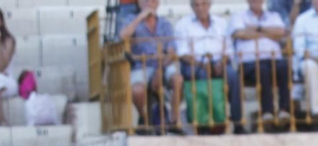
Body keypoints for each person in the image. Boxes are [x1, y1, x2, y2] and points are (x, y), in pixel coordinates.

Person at [228, 0, 290, 132]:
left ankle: (284, 110)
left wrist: (257, 29)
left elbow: (281, 32)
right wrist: (269, 33)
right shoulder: (238, 16)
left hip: (273, 59)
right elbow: (239, 34)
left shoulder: (274, 16)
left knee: (284, 66)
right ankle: (267, 112)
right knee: (262, 69)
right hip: (249, 62)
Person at [120, 0, 181, 130]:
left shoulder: (165, 23)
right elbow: (123, 36)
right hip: (141, 66)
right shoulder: (131, 19)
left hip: (163, 64)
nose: (149, 3)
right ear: (139, 3)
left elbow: (171, 50)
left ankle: (174, 120)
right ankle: (144, 118)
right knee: (137, 91)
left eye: (153, 0)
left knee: (178, 79)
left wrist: (160, 69)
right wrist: (141, 17)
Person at [177, 0, 228, 130]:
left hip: (218, 62)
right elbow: (182, 53)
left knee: (233, 76)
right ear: (191, 6)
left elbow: (229, 49)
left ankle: (234, 121)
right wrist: (202, 64)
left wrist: (221, 63)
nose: (200, 8)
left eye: (204, 4)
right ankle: (204, 123)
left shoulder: (221, 23)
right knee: (200, 75)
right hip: (195, 64)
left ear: (209, 5)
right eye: (196, 5)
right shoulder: (183, 24)